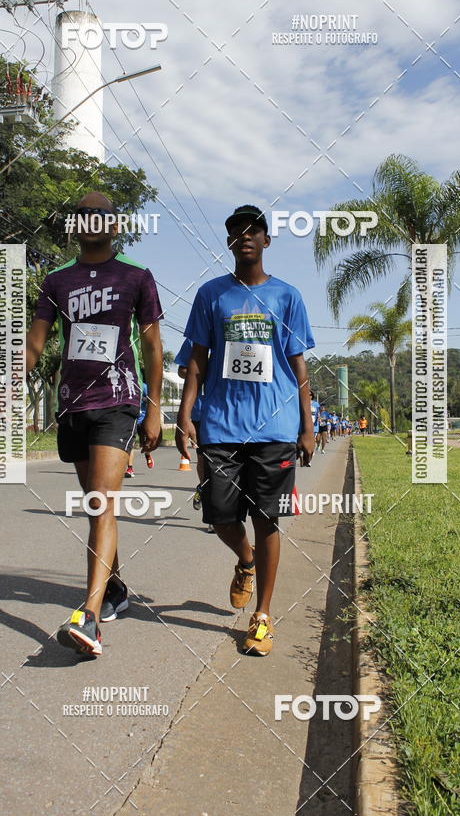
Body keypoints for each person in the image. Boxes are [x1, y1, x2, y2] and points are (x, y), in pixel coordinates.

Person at [26, 192, 163, 657]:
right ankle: (118, 587)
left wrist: (155, 406)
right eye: (82, 216)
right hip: (73, 405)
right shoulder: (56, 281)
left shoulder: (136, 277)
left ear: (114, 225)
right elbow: (36, 343)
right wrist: (9, 375)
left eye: (99, 216)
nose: (90, 222)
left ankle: (89, 615)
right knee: (95, 507)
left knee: (103, 502)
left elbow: (152, 347)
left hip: (118, 401)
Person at [176, 204, 315, 657]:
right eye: (237, 232)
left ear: (267, 240)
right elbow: (196, 361)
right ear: (230, 242)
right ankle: (246, 559)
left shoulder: (287, 296)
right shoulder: (211, 296)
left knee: (267, 518)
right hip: (220, 423)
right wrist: (185, 415)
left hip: (275, 424)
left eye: (254, 231)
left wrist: (307, 426)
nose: (245, 237)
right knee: (219, 514)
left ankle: (262, 616)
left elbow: (299, 366)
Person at [174, 339, 214, 531]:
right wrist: (201, 371)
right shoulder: (195, 338)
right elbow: (181, 369)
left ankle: (210, 495)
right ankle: (208, 502)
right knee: (205, 460)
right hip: (199, 412)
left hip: (227, 410)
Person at [125, 380, 154, 477]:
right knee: (130, 444)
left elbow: (152, 400)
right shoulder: (126, 384)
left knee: (144, 443)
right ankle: (130, 469)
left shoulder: (144, 386)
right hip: (131, 419)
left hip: (142, 419)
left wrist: (143, 399)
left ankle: (147, 454)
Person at [307, 391, 320, 464]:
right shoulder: (304, 402)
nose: (308, 396)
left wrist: (318, 418)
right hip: (305, 425)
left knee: (312, 440)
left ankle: (310, 458)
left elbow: (318, 413)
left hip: (314, 425)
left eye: (310, 395)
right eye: (307, 395)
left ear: (312, 396)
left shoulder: (316, 404)